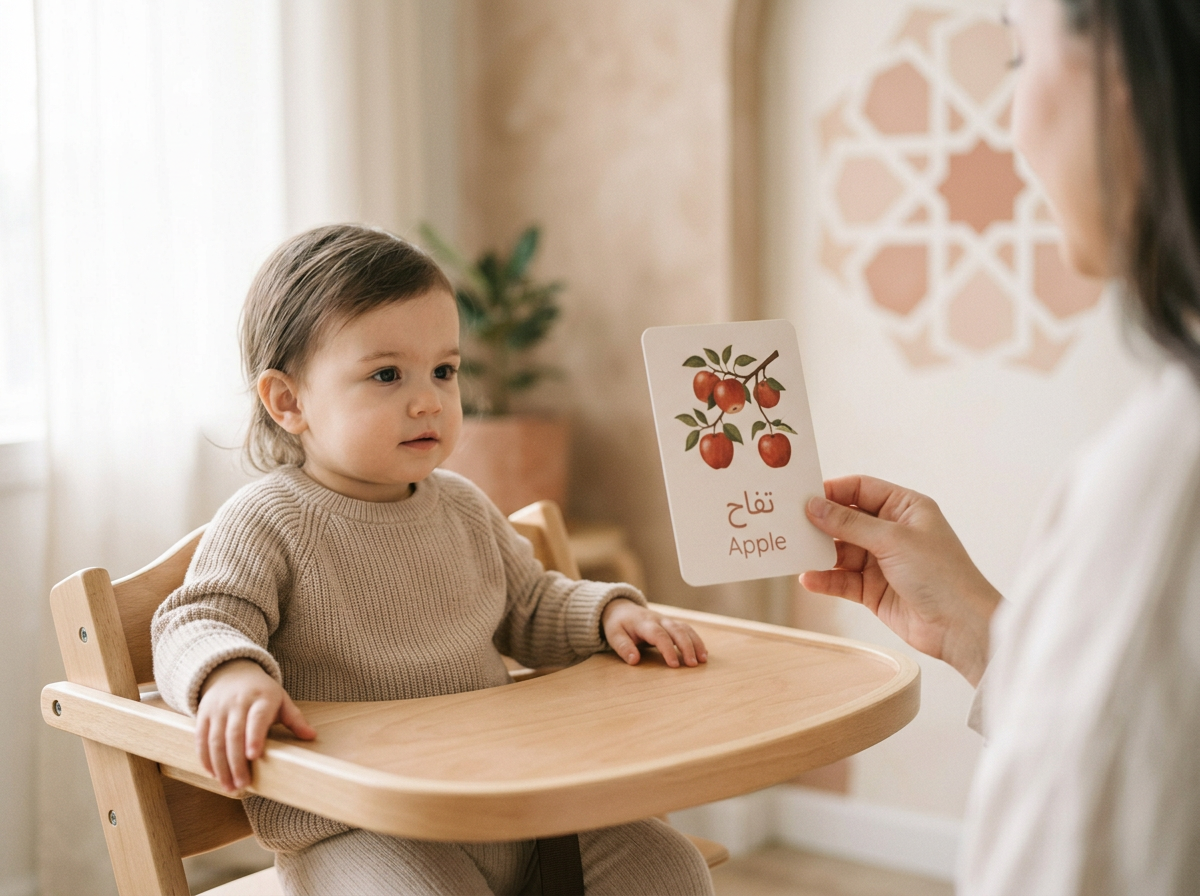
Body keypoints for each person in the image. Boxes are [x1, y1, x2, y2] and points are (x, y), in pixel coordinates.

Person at [151, 224, 715, 896]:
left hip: (510, 802)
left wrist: (610, 613)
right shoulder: (267, 520)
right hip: (356, 828)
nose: (428, 400)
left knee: (666, 866)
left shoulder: (465, 508)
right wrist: (231, 675)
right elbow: (194, 619)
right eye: (386, 374)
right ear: (288, 401)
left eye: (444, 371)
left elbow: (532, 605)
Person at [799, 0, 1200, 892]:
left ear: (1131, 72)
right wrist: (982, 633)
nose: (1015, 129)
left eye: (1020, 59)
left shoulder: (1168, 482)